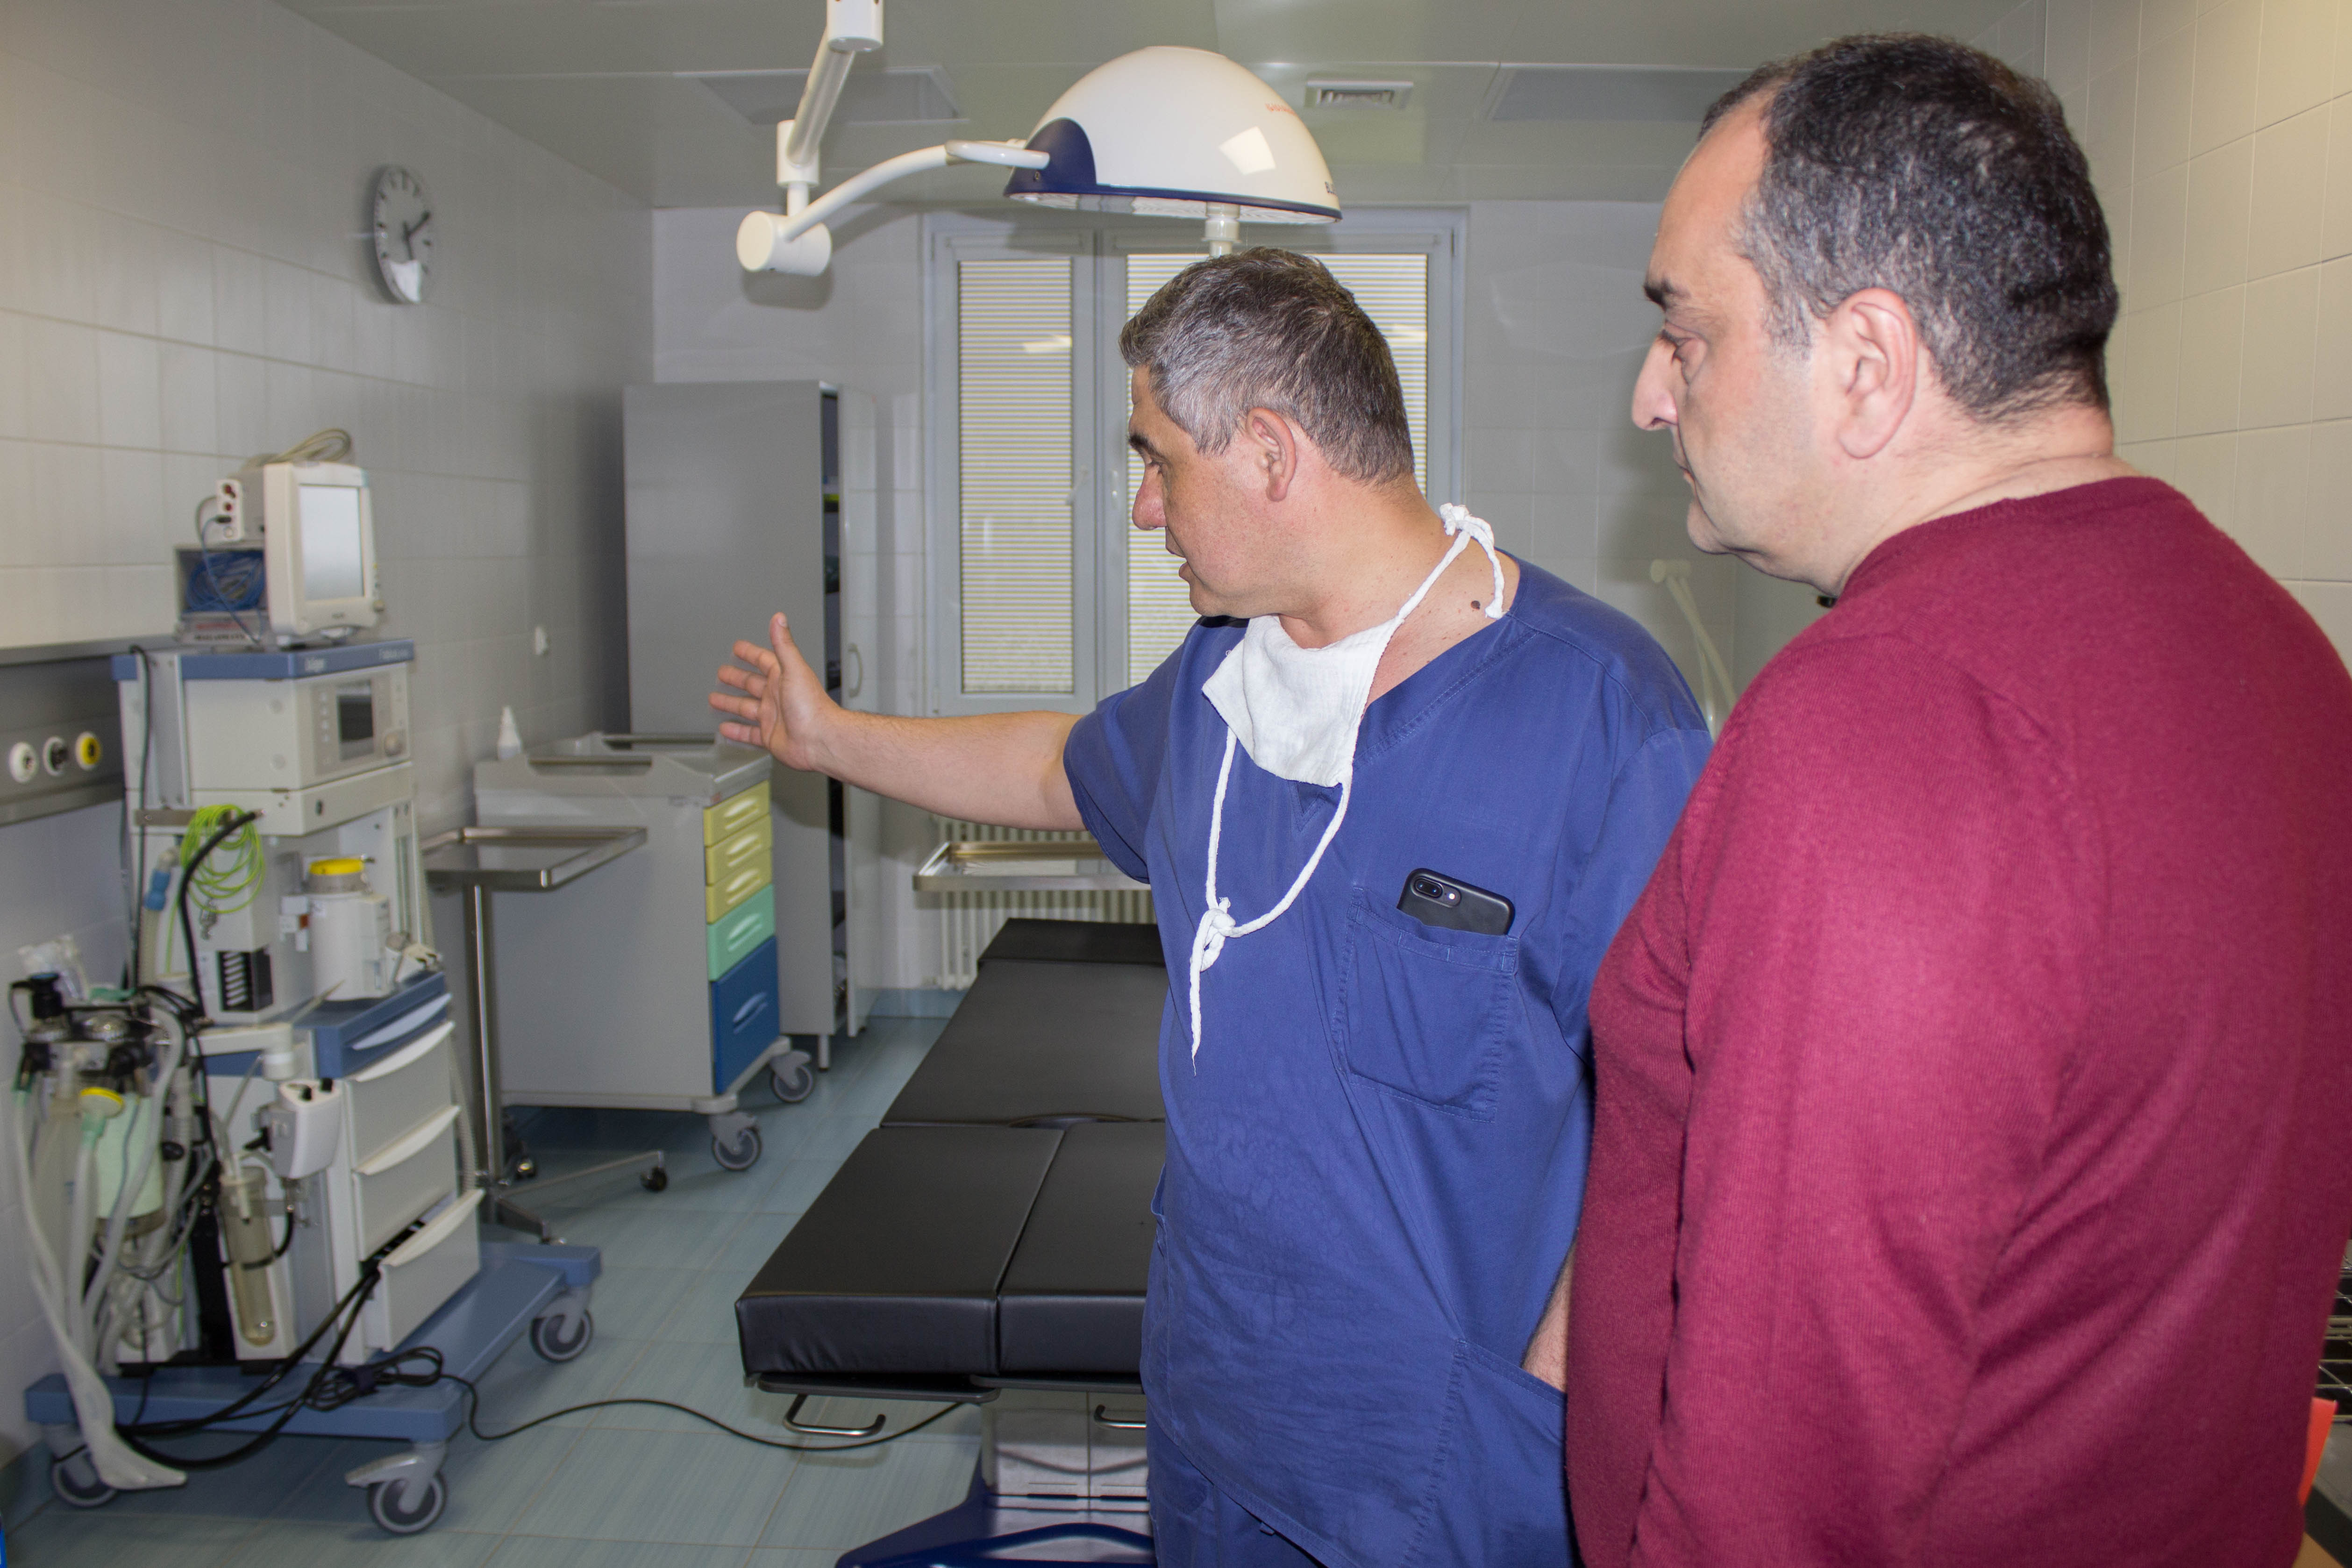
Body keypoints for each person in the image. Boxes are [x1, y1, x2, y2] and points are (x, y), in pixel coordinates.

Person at [712, 249, 1710, 1567]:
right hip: (1214, 1410)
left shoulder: (1600, 715)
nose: (1144, 507)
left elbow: (1682, 1119)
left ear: (1270, 452)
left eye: (1159, 460)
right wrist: (833, 738)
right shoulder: (1219, 679)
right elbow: (1057, 768)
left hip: (1436, 1474)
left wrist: (1546, 1405)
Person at [1557, 33, 2352, 1568]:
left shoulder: (1883, 717)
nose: (1652, 395)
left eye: (1685, 331)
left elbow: (1785, 1472)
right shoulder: (2281, 654)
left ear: (1864, 363)